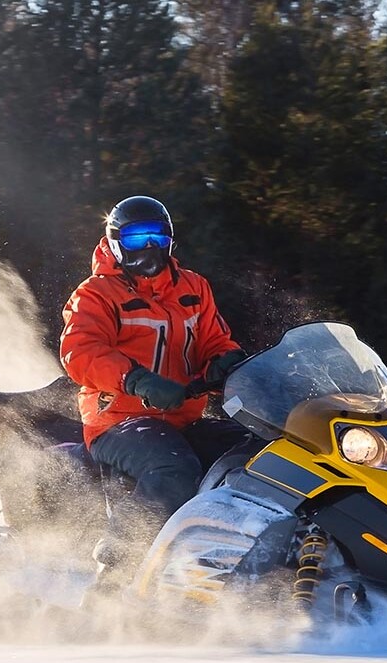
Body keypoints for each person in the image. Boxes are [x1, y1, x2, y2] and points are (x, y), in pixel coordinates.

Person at [59, 195, 250, 597]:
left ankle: (251, 566)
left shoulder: (194, 288)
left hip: (183, 418)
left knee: (258, 455)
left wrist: (225, 362)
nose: (148, 247)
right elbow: (81, 352)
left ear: (170, 241)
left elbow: (217, 340)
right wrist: (137, 380)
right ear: (114, 242)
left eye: (157, 236)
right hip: (117, 421)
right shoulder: (96, 293)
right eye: (135, 237)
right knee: (172, 469)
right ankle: (115, 575)